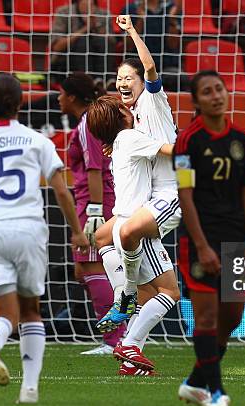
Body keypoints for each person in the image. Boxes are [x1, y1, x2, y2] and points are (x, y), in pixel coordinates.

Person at [0, 73, 89, 404]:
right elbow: (61, 191)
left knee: (6, 314)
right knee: (31, 312)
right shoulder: (37, 141)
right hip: (27, 228)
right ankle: (29, 389)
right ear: (21, 103)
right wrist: (76, 231)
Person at [94, 15, 181, 338]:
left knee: (129, 235)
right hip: (152, 199)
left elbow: (151, 68)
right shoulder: (131, 126)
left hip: (169, 195)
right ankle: (127, 312)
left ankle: (128, 295)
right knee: (102, 237)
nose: (123, 83)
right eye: (118, 79)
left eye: (129, 77)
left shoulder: (153, 101)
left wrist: (131, 31)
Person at [174, 70, 245, 406]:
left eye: (219, 89)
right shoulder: (187, 141)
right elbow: (185, 194)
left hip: (234, 238)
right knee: (206, 318)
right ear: (196, 101)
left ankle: (194, 383)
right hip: (199, 239)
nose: (216, 96)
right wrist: (202, 245)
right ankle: (216, 393)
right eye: (207, 92)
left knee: (232, 317)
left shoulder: (243, 139)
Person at [87, 94, 180, 376]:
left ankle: (131, 362)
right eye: (122, 107)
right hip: (139, 225)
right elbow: (172, 152)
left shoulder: (117, 144)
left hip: (121, 224)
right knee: (169, 292)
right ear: (120, 117)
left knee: (146, 293)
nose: (129, 106)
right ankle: (128, 343)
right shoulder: (129, 138)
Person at [57, 72, 126, 355]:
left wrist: (96, 213)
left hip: (95, 204)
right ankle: (122, 334)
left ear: (72, 97)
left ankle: (115, 341)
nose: (59, 98)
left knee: (93, 267)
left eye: (61, 93)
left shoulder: (87, 123)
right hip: (93, 202)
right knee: (85, 271)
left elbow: (94, 169)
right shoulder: (91, 121)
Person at [119, 0, 184, 91]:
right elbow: (128, 46)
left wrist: (172, 19)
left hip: (166, 65)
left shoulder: (172, 8)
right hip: (138, 66)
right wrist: (140, 20)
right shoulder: (130, 9)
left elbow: (173, 45)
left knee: (179, 78)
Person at [50, 0, 116, 86]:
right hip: (66, 63)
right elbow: (57, 46)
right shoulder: (64, 12)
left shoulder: (103, 14)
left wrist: (96, 26)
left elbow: (112, 43)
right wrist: (86, 28)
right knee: (82, 41)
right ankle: (86, 81)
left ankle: (104, 80)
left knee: (102, 41)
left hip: (97, 61)